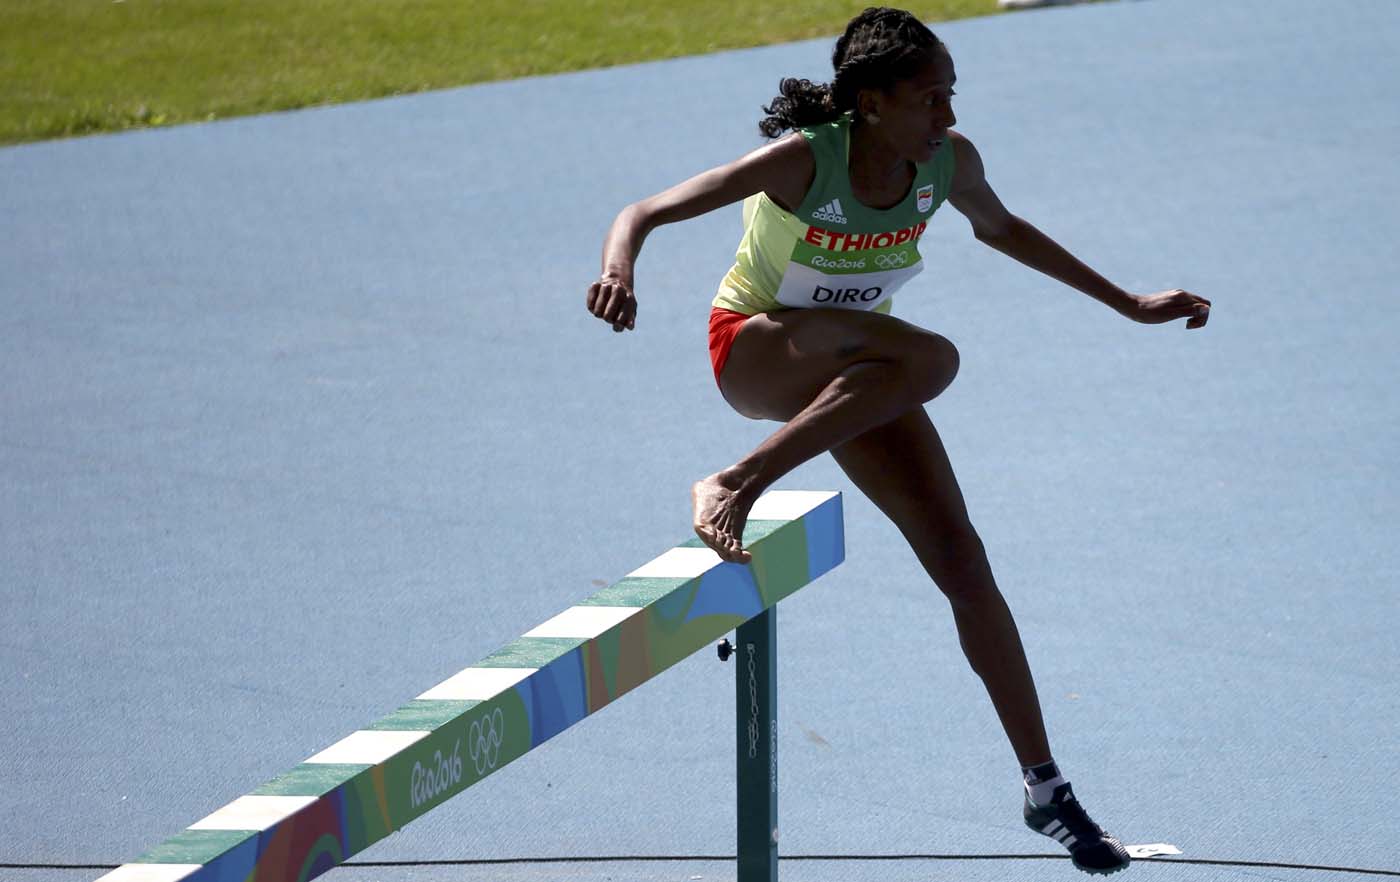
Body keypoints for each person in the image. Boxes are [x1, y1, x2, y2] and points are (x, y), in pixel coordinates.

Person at [586, 7, 1208, 875]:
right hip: (757, 349)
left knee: (962, 557)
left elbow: (1005, 229)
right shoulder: (806, 160)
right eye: (929, 100)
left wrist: (1128, 303)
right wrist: (620, 268)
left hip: (857, 372)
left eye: (951, 97)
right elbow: (645, 208)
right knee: (934, 355)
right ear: (871, 104)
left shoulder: (945, 163)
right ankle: (737, 479)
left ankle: (1044, 787)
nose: (947, 118)